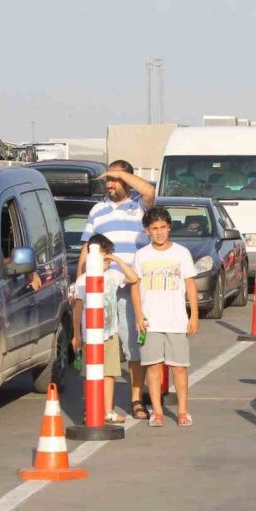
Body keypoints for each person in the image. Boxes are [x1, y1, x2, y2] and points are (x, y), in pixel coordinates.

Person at [79, 159, 156, 421]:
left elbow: (149, 192)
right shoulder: (97, 210)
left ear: (127, 180)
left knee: (133, 344)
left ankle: (136, 398)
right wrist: (79, 281)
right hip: (101, 290)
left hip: (131, 286)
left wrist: (116, 172)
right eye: (107, 180)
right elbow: (87, 247)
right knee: (103, 345)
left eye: (115, 179)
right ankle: (101, 403)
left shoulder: (139, 206)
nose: (110, 184)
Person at [133, 206, 199, 427]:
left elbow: (190, 283)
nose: (159, 232)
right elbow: (135, 286)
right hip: (151, 321)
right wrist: (138, 314)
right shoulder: (141, 256)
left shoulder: (181, 253)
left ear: (169, 227)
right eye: (154, 228)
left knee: (179, 366)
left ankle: (183, 411)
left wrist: (194, 314)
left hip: (176, 320)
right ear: (147, 231)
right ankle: (157, 412)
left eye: (163, 227)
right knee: (153, 366)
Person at [71, 234, 139, 424]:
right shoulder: (83, 281)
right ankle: (91, 410)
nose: (107, 259)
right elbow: (77, 310)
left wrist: (117, 260)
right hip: (90, 338)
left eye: (109, 254)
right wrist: (76, 335)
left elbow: (134, 278)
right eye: (104, 255)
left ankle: (108, 410)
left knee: (109, 374)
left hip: (110, 334)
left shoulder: (113, 275)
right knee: (91, 375)